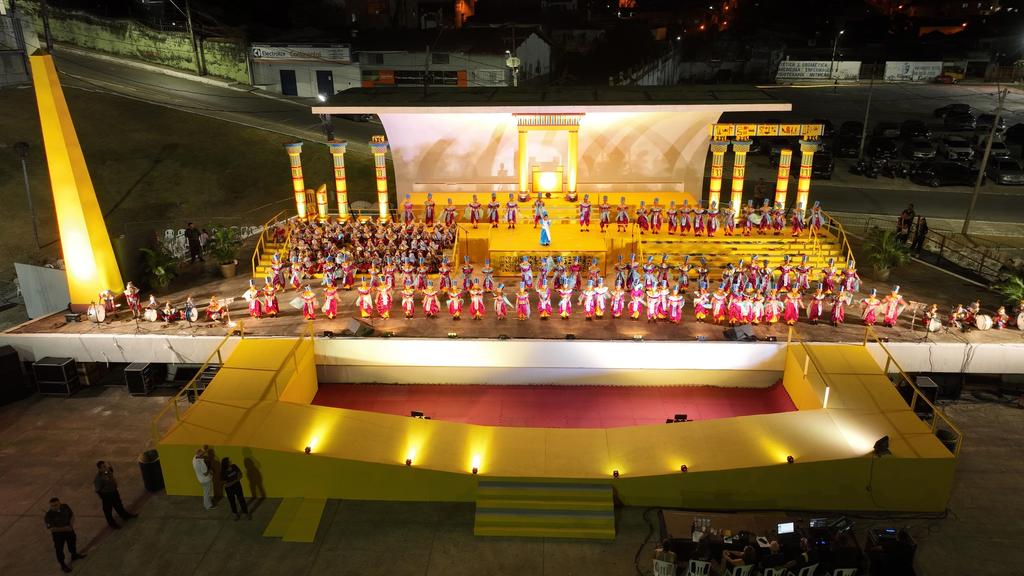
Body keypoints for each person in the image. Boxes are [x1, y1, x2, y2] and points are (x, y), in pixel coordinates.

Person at [45, 497, 85, 573]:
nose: (54, 507)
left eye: (56, 505)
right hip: (58, 535)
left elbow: (71, 515)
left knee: (72, 543)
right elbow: (52, 529)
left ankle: (74, 555)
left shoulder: (65, 506)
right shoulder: (48, 515)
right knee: (59, 549)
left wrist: (71, 524)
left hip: (69, 530)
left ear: (59, 503)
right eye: (52, 506)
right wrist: (67, 528)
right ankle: (62, 564)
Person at [93, 461, 136, 529]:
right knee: (108, 510)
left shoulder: (108, 471)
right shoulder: (98, 478)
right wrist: (103, 497)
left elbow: (111, 471)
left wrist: (109, 466)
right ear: (100, 469)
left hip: (114, 492)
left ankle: (124, 516)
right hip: (107, 495)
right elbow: (98, 490)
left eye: (105, 466)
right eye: (104, 467)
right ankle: (112, 524)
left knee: (118, 505)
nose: (106, 467)